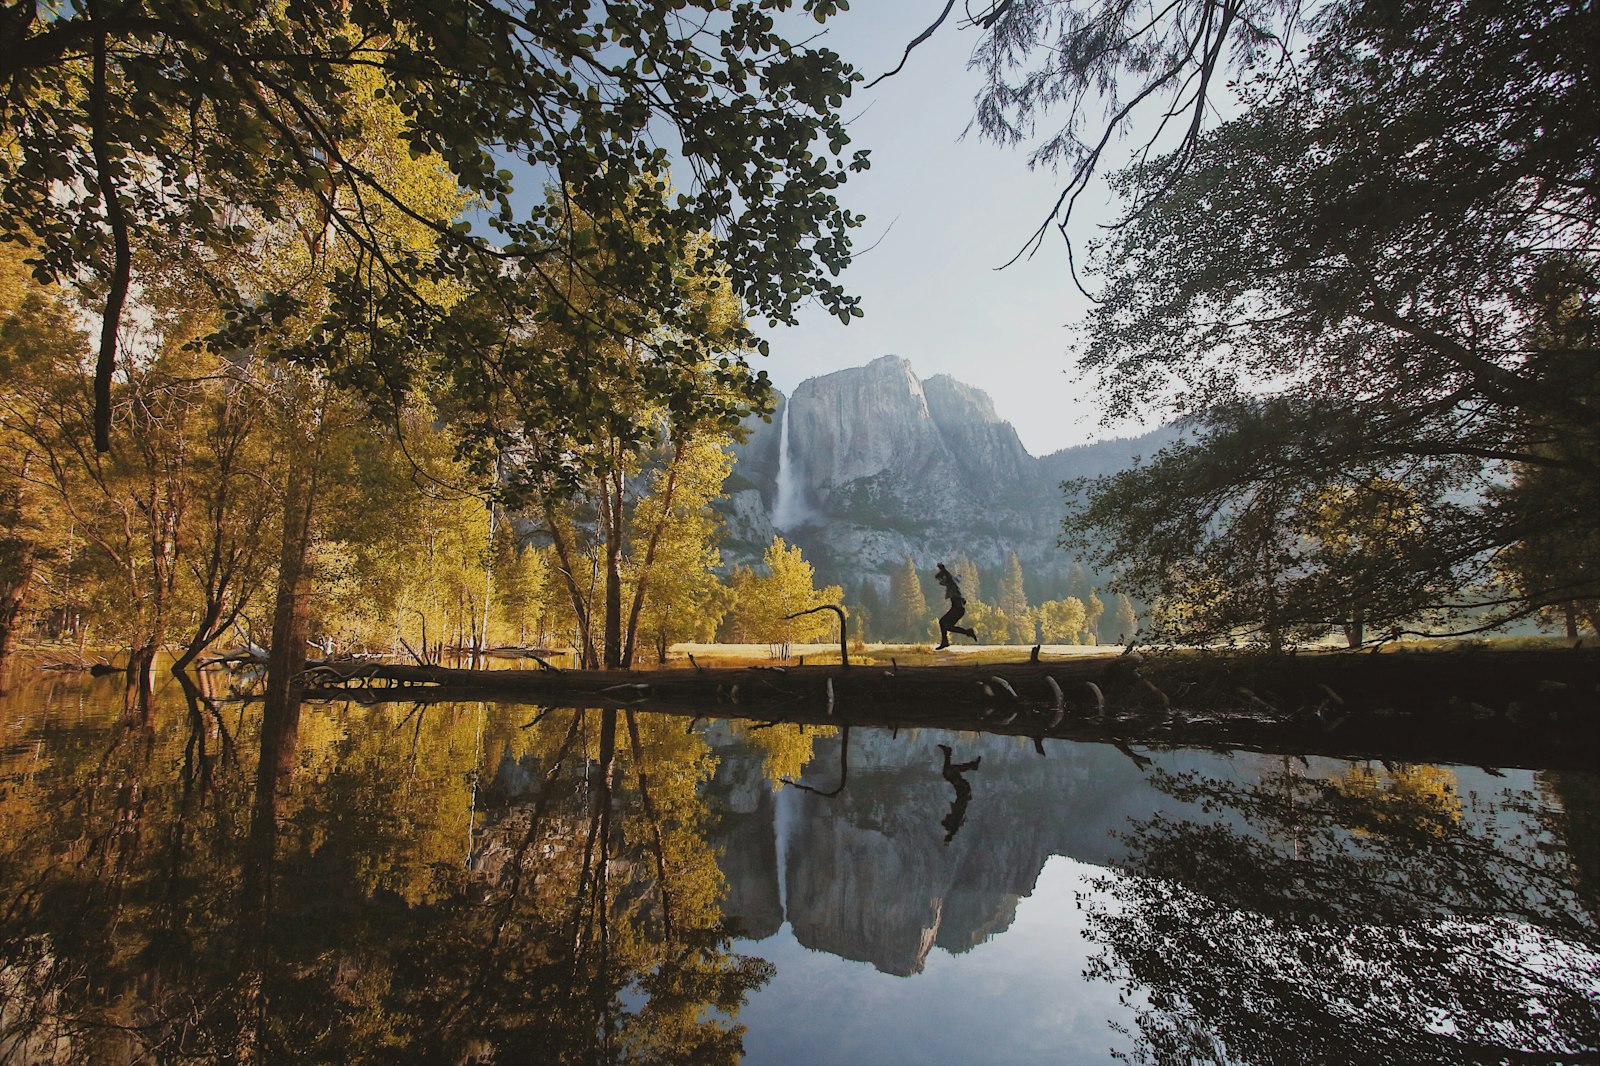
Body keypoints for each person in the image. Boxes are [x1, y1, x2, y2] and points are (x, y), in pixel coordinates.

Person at [933, 562, 977, 649]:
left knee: (942, 622)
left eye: (942, 579)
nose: (941, 581)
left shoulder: (952, 583)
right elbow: (946, 579)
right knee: (948, 626)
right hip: (958, 609)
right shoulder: (954, 585)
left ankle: (945, 642)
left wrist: (943, 569)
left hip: (957, 609)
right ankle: (968, 632)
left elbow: (948, 576)